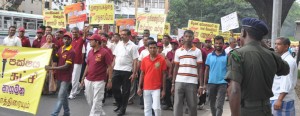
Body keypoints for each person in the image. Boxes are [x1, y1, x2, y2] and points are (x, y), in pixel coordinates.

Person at [226, 18, 290, 116]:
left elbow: (234, 90)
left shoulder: (237, 54)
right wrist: (269, 49)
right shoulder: (271, 55)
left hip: (246, 111)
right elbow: (286, 70)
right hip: (266, 110)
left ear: (243, 32)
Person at [172, 30, 203, 116]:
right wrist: (173, 84)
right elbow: (175, 68)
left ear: (193, 38)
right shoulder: (178, 51)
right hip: (179, 81)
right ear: (183, 37)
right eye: (186, 36)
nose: (188, 38)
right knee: (177, 105)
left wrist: (201, 85)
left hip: (192, 82)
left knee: (192, 105)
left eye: (190, 36)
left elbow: (200, 69)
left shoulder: (197, 51)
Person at [80, 34, 113, 116]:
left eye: (91, 40)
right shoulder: (90, 52)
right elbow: (87, 65)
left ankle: (94, 114)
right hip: (88, 79)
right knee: (90, 100)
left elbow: (110, 66)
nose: (89, 42)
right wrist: (83, 78)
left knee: (97, 100)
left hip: (100, 80)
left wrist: (109, 80)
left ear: (97, 42)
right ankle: (100, 112)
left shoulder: (104, 52)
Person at [45, 33, 75, 116]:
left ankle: (54, 114)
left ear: (71, 40)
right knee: (64, 95)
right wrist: (54, 50)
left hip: (66, 77)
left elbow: (66, 66)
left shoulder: (71, 51)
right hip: (59, 76)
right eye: (65, 39)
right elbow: (56, 58)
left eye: (68, 39)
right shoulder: (61, 48)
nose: (66, 40)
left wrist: (52, 68)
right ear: (63, 40)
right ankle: (67, 112)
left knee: (60, 96)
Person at [112, 29, 139, 116]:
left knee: (125, 91)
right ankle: (120, 104)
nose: (122, 36)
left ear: (128, 36)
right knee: (115, 89)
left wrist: (134, 73)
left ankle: (123, 109)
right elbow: (115, 57)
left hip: (127, 70)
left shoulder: (133, 46)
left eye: (124, 35)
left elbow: (135, 60)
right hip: (117, 69)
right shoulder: (119, 44)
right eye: (121, 34)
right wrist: (112, 68)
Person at [137, 40, 167, 116]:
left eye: (154, 48)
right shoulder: (144, 60)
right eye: (151, 48)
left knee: (156, 107)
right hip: (146, 87)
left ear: (157, 48)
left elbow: (164, 75)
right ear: (148, 49)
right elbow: (142, 74)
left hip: (157, 87)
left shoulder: (161, 59)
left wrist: (163, 90)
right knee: (147, 108)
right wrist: (139, 87)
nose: (153, 49)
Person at [270, 37, 297, 116]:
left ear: (286, 46)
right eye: (275, 44)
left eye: (279, 44)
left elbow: (286, 81)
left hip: (282, 100)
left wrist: (279, 100)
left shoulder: (288, 61)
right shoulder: (281, 59)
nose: (275, 46)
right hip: (277, 98)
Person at [204, 36, 227, 116]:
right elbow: (206, 70)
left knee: (219, 105)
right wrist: (204, 84)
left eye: (220, 43)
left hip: (223, 83)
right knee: (212, 104)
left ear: (223, 44)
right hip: (211, 83)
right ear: (214, 44)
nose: (218, 45)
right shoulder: (209, 56)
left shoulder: (227, 56)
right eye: (216, 43)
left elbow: (229, 70)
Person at [68, 27, 85, 99]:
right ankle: (79, 86)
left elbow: (84, 37)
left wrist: (85, 32)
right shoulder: (71, 41)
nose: (74, 33)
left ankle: (73, 93)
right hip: (71, 61)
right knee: (72, 78)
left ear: (78, 33)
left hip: (77, 62)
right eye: (73, 32)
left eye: (75, 32)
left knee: (74, 78)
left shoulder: (80, 40)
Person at [162, 39, 179, 110]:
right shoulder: (169, 53)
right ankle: (168, 104)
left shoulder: (179, 52)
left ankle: (176, 105)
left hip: (177, 74)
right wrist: (168, 73)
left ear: (177, 45)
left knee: (176, 91)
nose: (173, 45)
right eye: (172, 44)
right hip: (169, 74)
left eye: (175, 44)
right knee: (167, 89)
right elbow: (167, 64)